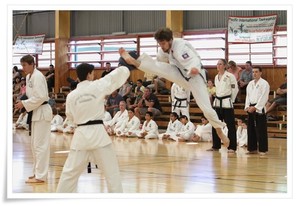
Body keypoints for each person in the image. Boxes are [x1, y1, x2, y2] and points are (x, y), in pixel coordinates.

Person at [119, 27, 229, 147]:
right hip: (179, 74)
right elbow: (158, 64)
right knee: (157, 66)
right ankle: (134, 61)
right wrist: (156, 72)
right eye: (160, 43)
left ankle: (219, 130)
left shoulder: (180, 46)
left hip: (195, 77)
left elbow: (194, 59)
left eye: (164, 43)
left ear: (170, 40)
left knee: (206, 108)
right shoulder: (162, 51)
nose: (162, 46)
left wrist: (194, 68)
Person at [56, 63, 128, 193]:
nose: (93, 75)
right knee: (112, 173)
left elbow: (70, 117)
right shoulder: (97, 86)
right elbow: (113, 78)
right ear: (89, 74)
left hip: (80, 137)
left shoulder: (71, 96)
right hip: (99, 136)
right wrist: (125, 67)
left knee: (69, 174)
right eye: (93, 73)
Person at [14, 54, 52, 183]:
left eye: (24, 65)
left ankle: (41, 176)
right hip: (36, 112)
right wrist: (22, 100)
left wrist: (24, 104)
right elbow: (31, 95)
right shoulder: (29, 76)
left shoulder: (38, 76)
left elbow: (40, 97)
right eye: (22, 65)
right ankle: (37, 172)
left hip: (42, 112)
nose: (23, 68)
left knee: (41, 145)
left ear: (32, 64)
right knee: (35, 145)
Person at [208, 59, 238, 153]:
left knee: (230, 125)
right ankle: (216, 146)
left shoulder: (230, 76)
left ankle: (232, 147)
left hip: (227, 103)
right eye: (217, 64)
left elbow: (235, 89)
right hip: (217, 103)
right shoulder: (216, 77)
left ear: (225, 66)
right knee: (215, 124)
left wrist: (231, 100)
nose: (218, 66)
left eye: (220, 64)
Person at [244, 66, 270, 156]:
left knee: (261, 129)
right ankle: (252, 148)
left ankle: (263, 149)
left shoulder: (264, 84)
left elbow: (264, 97)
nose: (254, 73)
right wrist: (247, 106)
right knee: (250, 129)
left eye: (256, 72)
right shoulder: (250, 83)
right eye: (253, 72)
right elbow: (247, 96)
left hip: (259, 108)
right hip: (250, 107)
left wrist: (255, 107)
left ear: (260, 73)